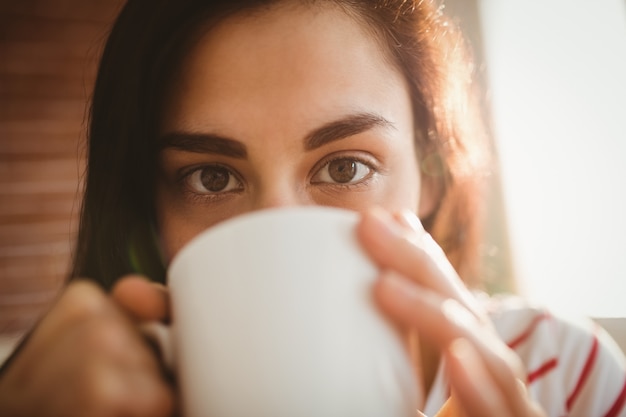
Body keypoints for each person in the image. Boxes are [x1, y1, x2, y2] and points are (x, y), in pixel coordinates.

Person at [0, 0, 624, 416]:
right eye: (211, 177)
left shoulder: (570, 372)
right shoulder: (64, 395)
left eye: (345, 168)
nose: (280, 230)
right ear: (149, 212)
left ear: (428, 177)